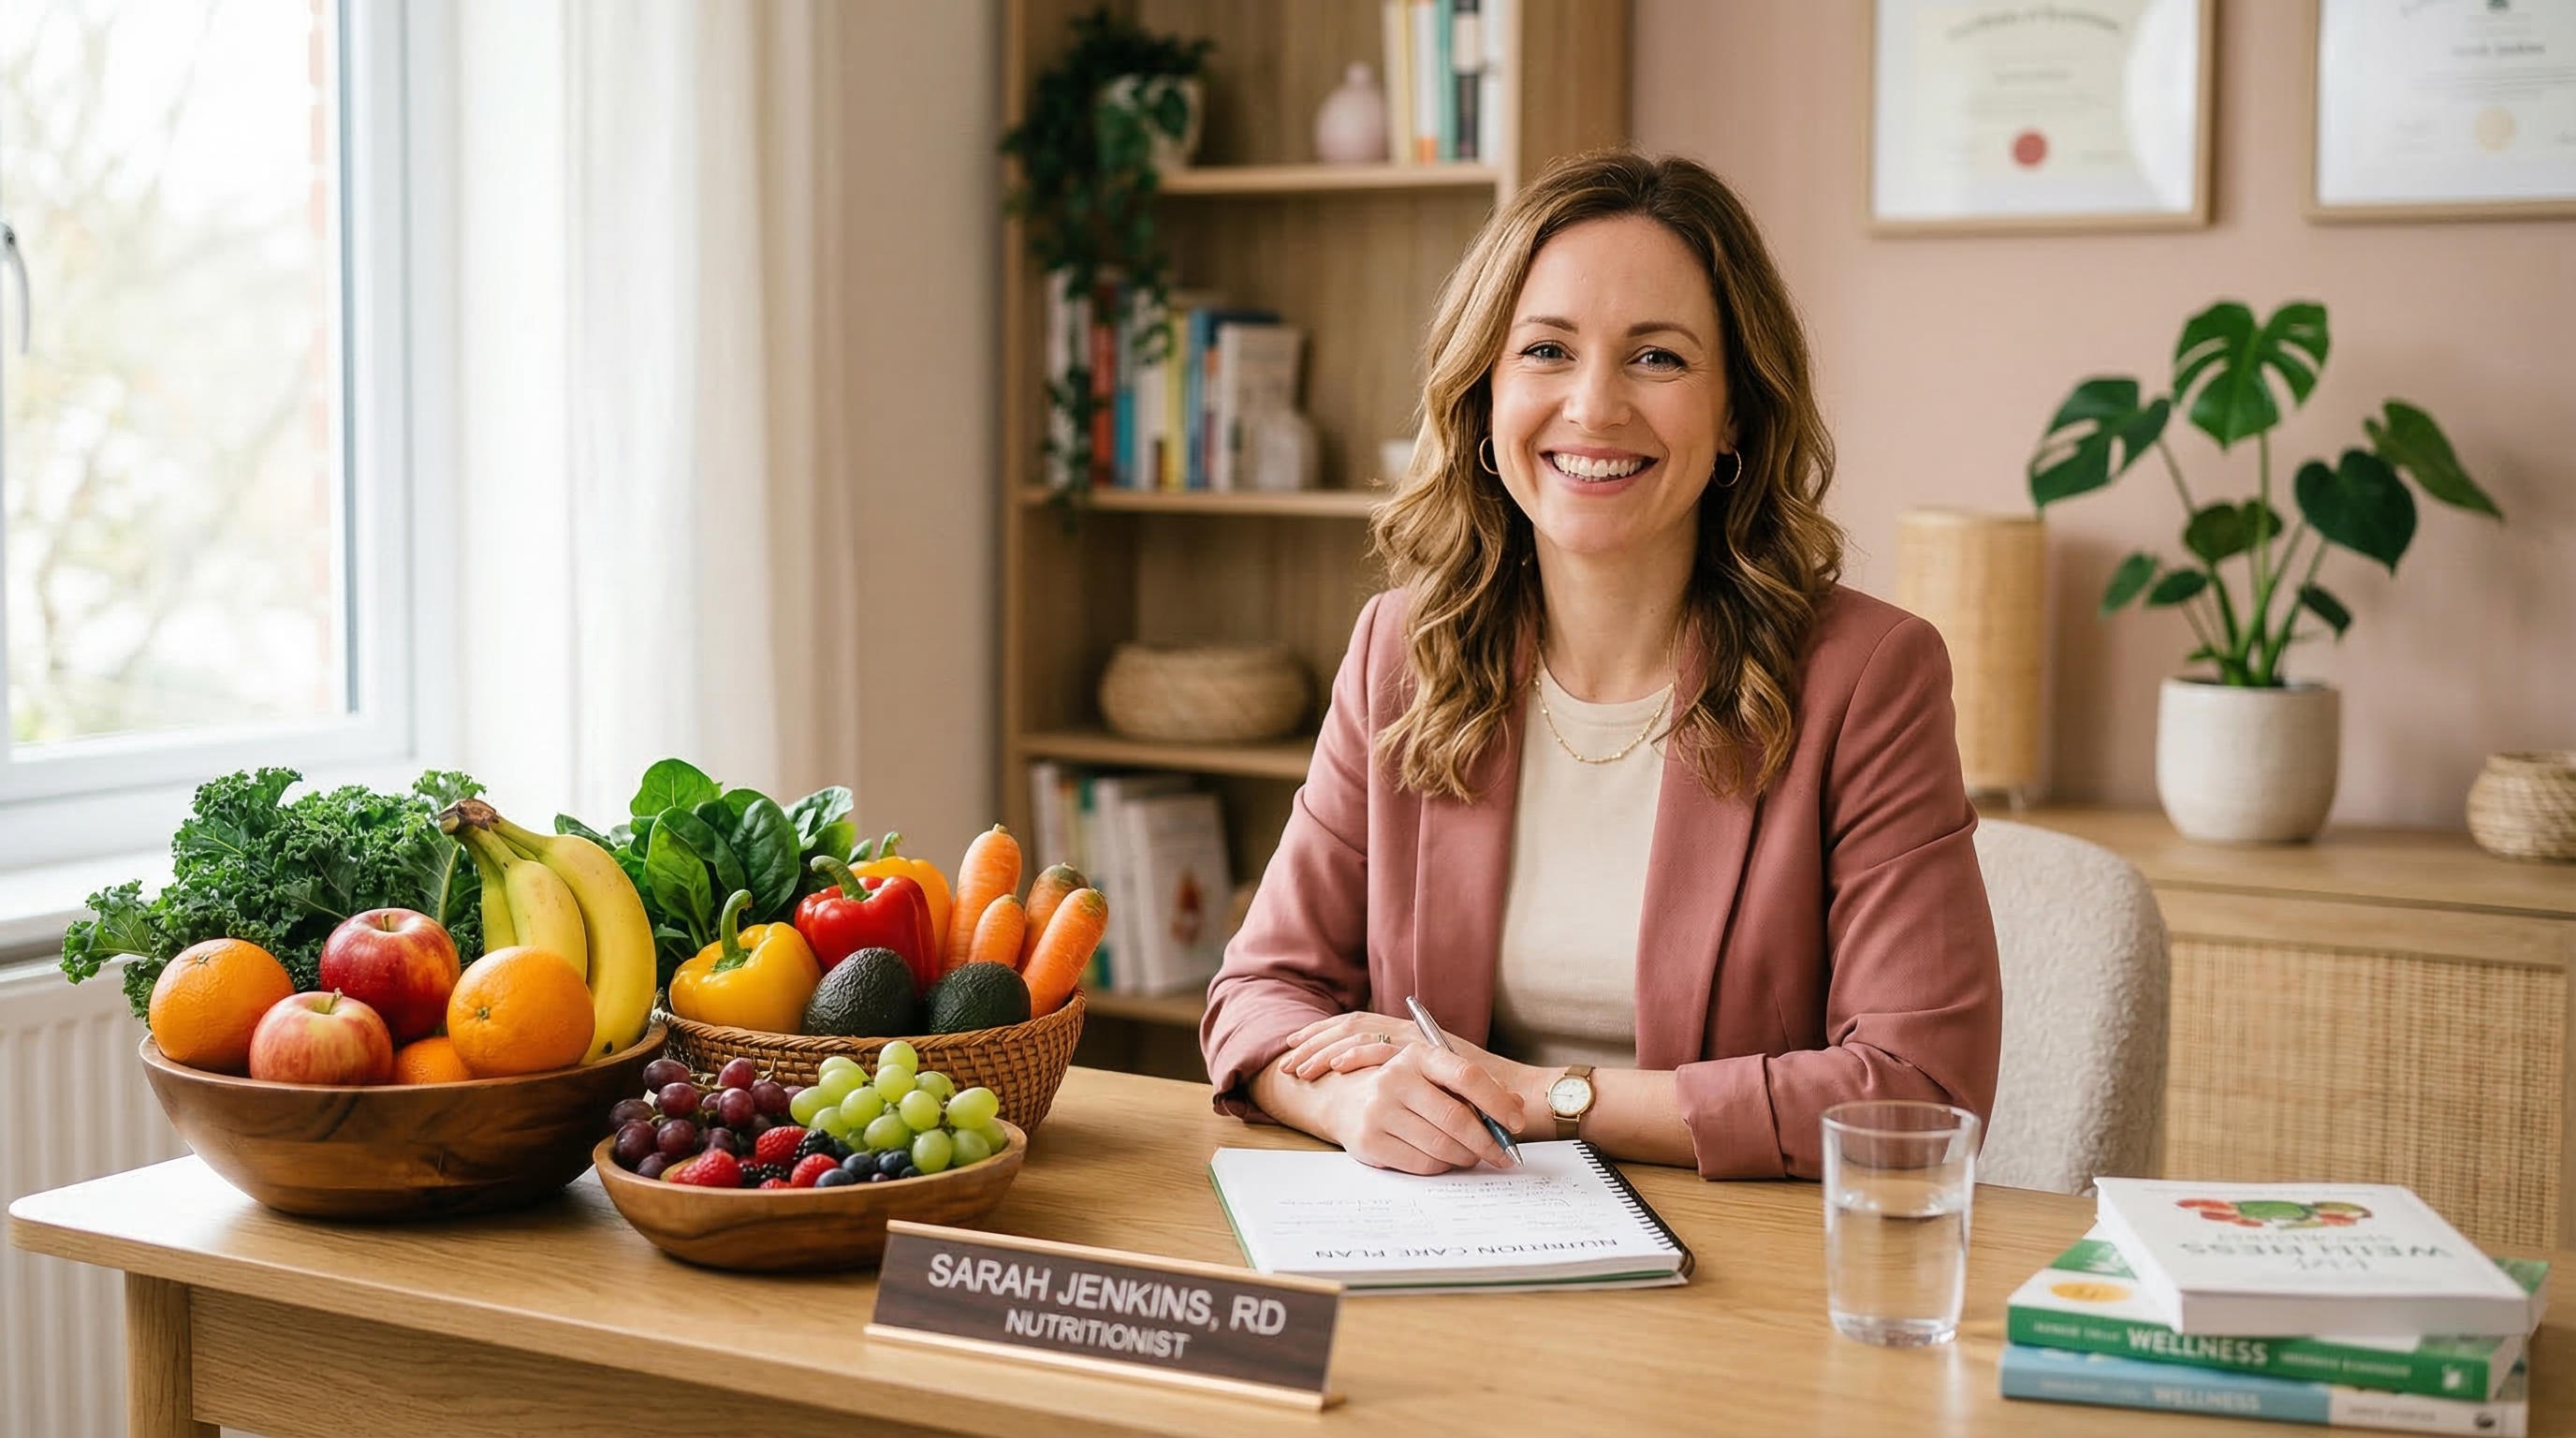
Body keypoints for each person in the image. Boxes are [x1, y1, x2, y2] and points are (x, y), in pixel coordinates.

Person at [1197, 151, 2002, 1181]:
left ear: (1735, 421)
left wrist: (1545, 1098)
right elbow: (1258, 995)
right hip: (1451, 1236)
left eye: (1656, 359)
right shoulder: (1401, 650)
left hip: (1739, 1271)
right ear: (1484, 397)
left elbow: (1917, 1088)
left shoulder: (1866, 678)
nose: (1592, 406)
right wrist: (1352, 1098)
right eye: (1544, 350)